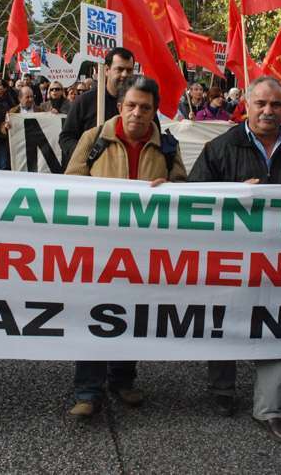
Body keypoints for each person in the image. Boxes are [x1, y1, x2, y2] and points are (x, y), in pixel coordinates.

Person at [188, 76, 281, 445]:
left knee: (276, 327)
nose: (268, 111)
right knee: (225, 321)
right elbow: (194, 197)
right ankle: (222, 389)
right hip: (230, 257)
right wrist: (230, 194)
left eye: (276, 105)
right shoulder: (220, 147)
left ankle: (270, 409)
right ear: (247, 104)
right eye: (260, 103)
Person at [64, 75, 186, 418]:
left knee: (132, 315)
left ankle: (122, 379)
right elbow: (71, 182)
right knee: (95, 314)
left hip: (143, 250)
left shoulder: (168, 146)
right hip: (99, 247)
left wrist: (170, 188)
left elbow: (183, 189)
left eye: (145, 108)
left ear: (154, 111)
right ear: (120, 107)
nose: (137, 113)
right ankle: (87, 391)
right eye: (131, 105)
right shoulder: (94, 138)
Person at [59, 47, 134, 165]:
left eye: (129, 70)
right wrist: (87, 155)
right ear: (107, 70)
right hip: (91, 172)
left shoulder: (140, 104)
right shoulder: (85, 101)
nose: (125, 74)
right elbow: (66, 138)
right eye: (119, 69)